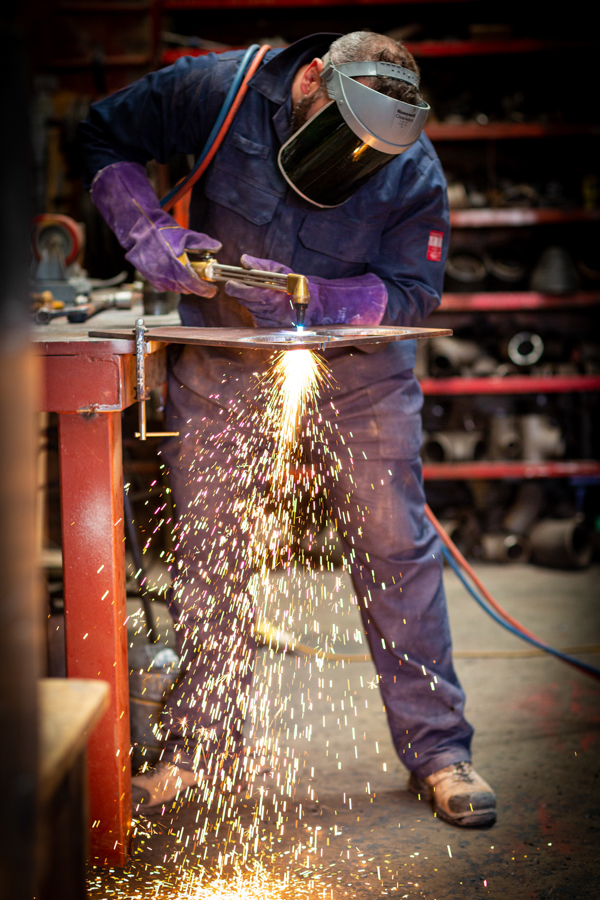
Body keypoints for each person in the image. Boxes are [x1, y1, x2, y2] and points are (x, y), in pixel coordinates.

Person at [79, 30, 497, 828]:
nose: (357, 160)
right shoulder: (216, 92)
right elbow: (102, 132)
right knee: (212, 548)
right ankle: (200, 750)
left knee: (394, 549)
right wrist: (146, 232)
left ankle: (440, 750)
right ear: (310, 80)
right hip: (225, 355)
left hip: (357, 371)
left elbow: (414, 292)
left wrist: (322, 301)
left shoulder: (412, 167)